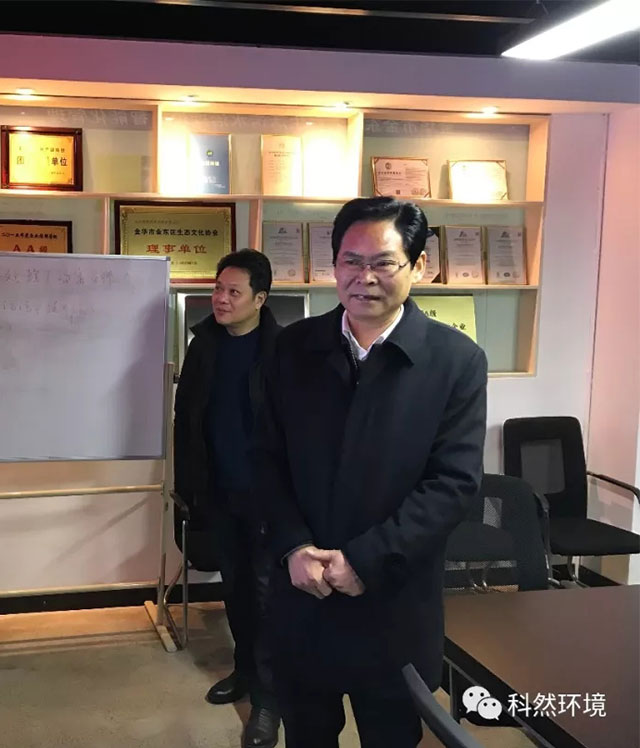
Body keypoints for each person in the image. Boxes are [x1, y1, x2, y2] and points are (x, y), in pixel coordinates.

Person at [255, 197, 488, 748]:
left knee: (392, 736)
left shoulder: (455, 361)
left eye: (383, 262)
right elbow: (264, 458)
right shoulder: (292, 348)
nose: (364, 278)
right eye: (350, 261)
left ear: (418, 265)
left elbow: (453, 483)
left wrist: (364, 560)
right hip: (303, 595)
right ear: (333, 264)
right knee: (307, 735)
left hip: (393, 604)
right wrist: (292, 546)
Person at [174, 249, 282, 748]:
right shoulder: (205, 346)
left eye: (233, 292)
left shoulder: (283, 351)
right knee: (235, 591)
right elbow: (186, 421)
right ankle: (244, 669)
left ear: (260, 299)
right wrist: (188, 489)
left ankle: (269, 699)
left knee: (267, 599)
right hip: (219, 493)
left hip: (269, 500)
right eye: (218, 289)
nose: (220, 299)